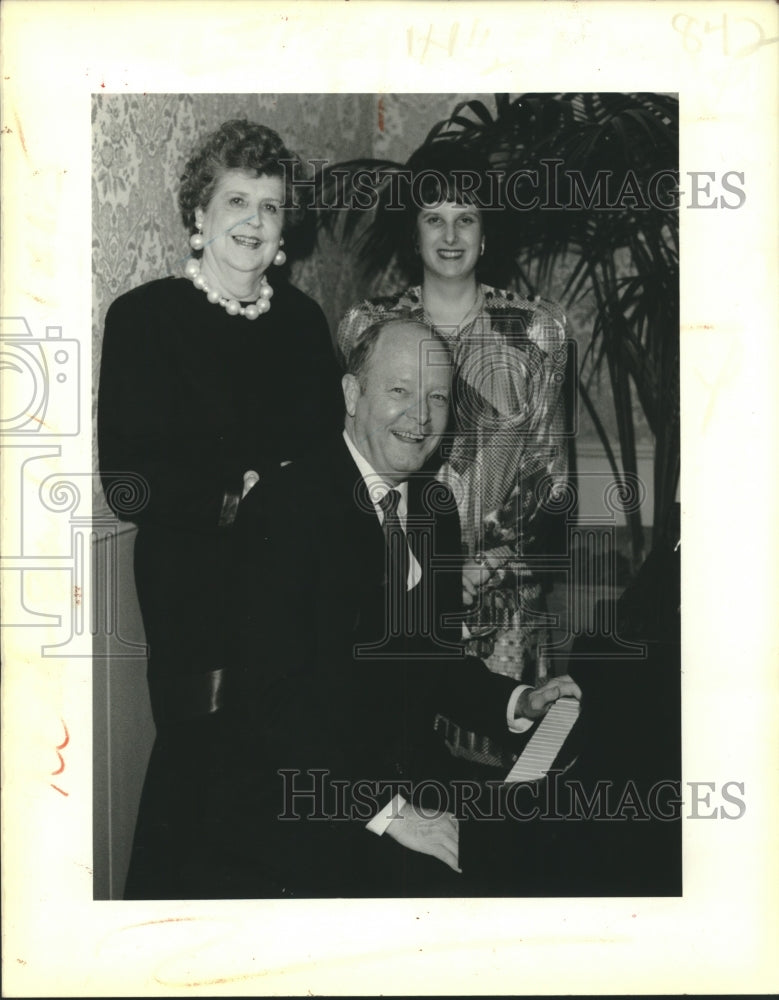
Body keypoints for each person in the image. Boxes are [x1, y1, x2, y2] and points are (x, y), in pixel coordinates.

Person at [231, 316, 582, 897]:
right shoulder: (285, 508)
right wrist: (391, 812)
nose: (420, 417)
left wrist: (518, 699)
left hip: (413, 784)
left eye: (436, 398)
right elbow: (274, 705)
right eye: (399, 391)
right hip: (310, 808)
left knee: (553, 852)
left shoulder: (432, 509)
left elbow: (432, 661)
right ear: (352, 393)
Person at [97, 118, 343, 898]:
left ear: (283, 232)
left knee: (280, 770)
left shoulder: (304, 324)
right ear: (197, 217)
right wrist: (240, 495)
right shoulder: (143, 318)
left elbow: (325, 458)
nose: (253, 221)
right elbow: (126, 483)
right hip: (193, 589)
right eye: (235, 200)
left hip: (292, 586)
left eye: (270, 208)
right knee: (198, 769)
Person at [337, 144, 570, 768]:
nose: (449, 234)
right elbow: (355, 467)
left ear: (486, 232)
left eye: (464, 217)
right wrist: (433, 570)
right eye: (433, 218)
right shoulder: (369, 327)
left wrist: (488, 567)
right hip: (397, 591)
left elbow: (550, 476)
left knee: (495, 774)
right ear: (413, 233)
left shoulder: (536, 330)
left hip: (504, 601)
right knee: (395, 764)